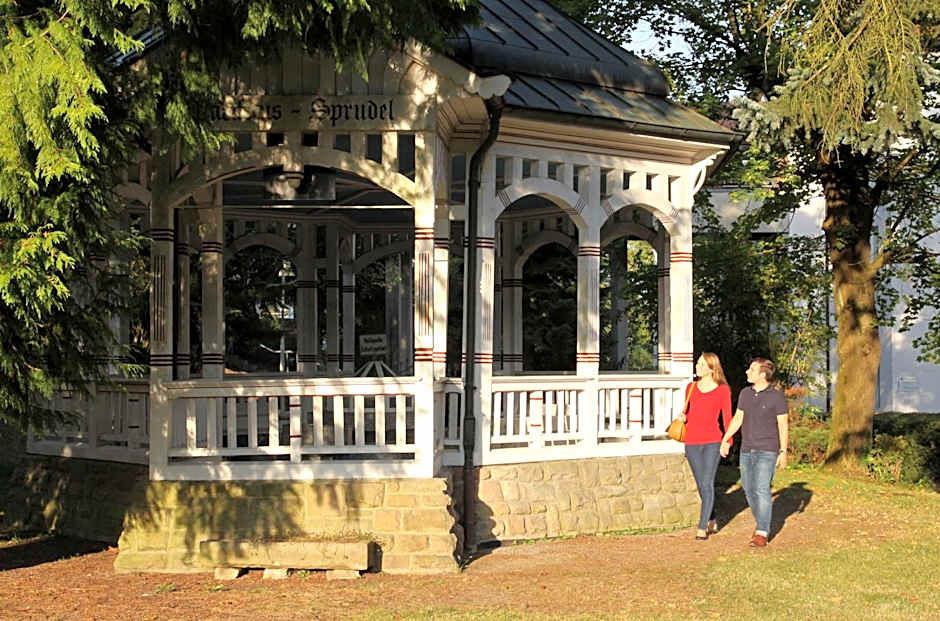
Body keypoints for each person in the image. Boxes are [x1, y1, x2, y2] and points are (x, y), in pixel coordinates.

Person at [720, 357, 789, 547]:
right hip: (747, 450)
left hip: (767, 450)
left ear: (762, 374)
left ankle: (762, 531)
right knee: (749, 490)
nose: (747, 372)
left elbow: (783, 424)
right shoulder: (745, 394)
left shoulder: (776, 396)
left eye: (751, 369)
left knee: (761, 488)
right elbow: (738, 418)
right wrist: (725, 439)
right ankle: (762, 522)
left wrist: (783, 451)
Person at [681, 352, 733, 540]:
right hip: (692, 442)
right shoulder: (691, 388)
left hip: (713, 441)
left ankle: (702, 527)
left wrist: (727, 441)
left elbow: (727, 419)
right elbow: (688, 412)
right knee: (701, 485)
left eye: (702, 364)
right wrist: (683, 418)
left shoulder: (722, 390)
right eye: (697, 363)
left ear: (712, 369)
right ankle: (711, 517)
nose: (697, 367)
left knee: (707, 482)